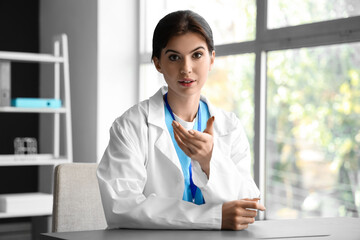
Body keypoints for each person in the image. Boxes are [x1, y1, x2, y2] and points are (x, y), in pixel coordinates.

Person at [97, 10, 265, 230]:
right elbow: (121, 207)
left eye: (197, 55)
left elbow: (246, 206)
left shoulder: (229, 126)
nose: (186, 69)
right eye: (174, 57)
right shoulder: (130, 126)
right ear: (158, 63)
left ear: (212, 59)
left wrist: (209, 162)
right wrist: (212, 217)